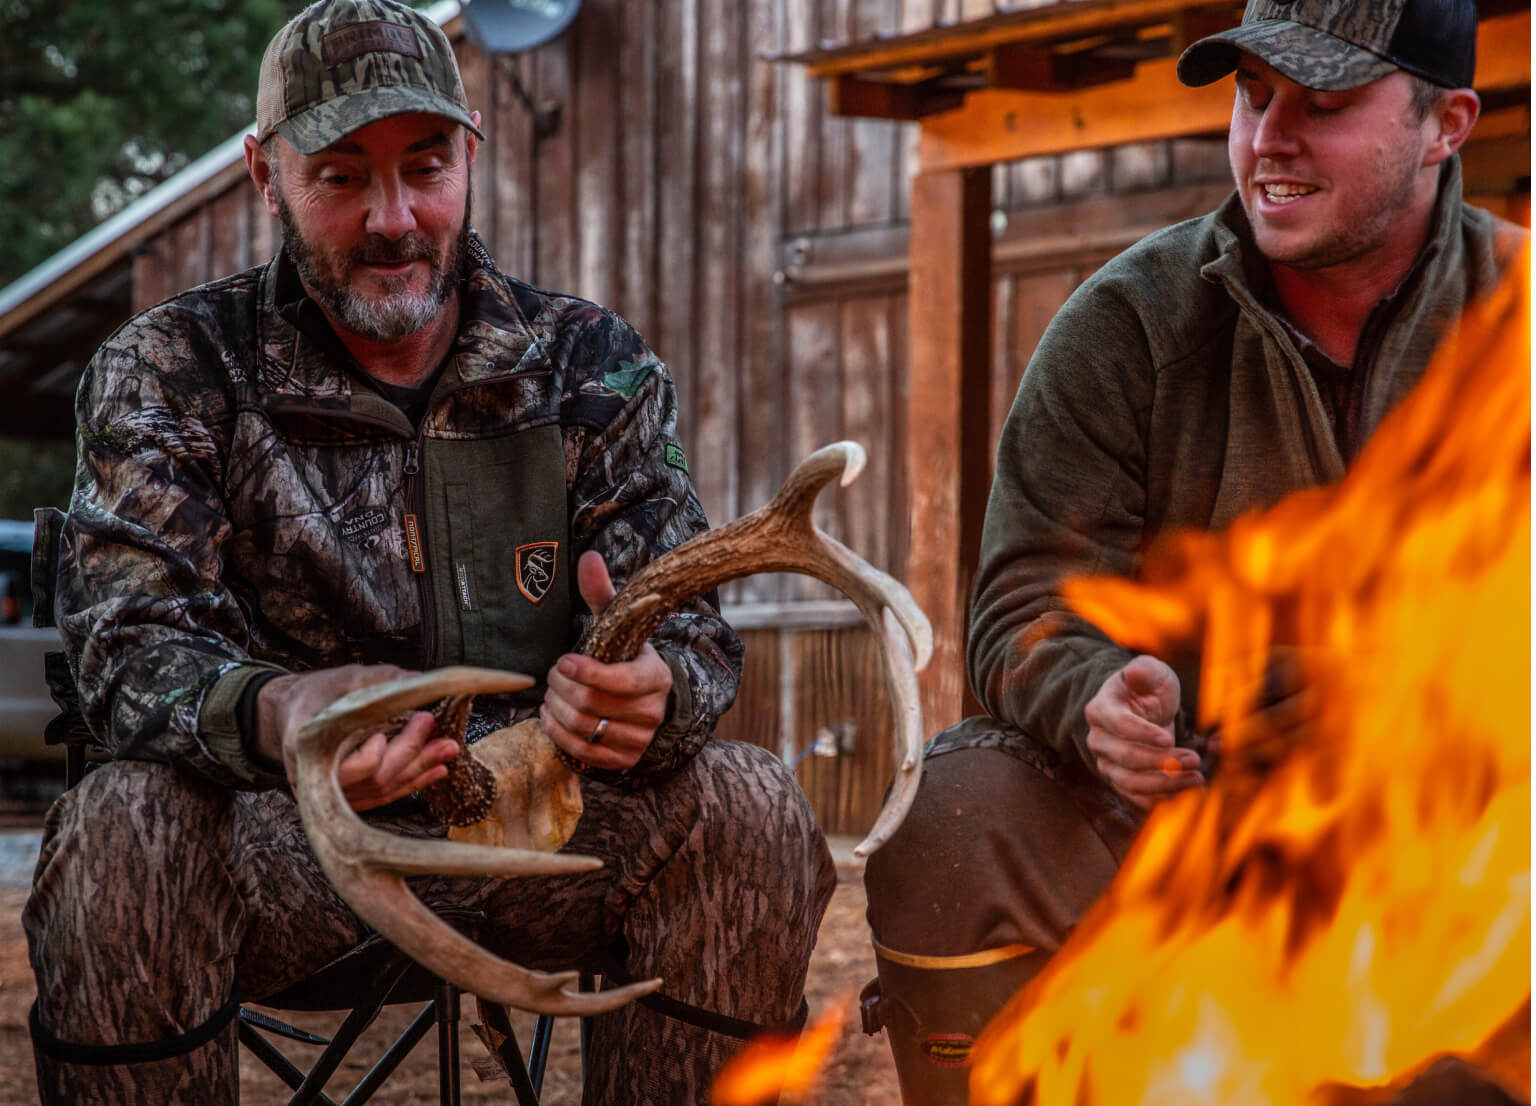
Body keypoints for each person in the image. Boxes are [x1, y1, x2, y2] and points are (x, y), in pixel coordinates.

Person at [23, 1, 835, 1102]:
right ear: (266, 174)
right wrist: (286, 716)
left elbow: (689, 626)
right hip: (288, 846)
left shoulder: (588, 361)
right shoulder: (171, 370)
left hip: (542, 827)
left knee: (748, 802)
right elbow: (128, 646)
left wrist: (657, 688)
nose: (393, 216)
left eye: (426, 165)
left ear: (473, 148)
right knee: (121, 829)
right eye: (342, 175)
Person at [862, 0, 1524, 1101]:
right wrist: (1098, 703)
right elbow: (1022, 602)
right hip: (1181, 828)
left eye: (1325, 102)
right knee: (956, 808)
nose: (1270, 140)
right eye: (1254, 95)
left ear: (1447, 122)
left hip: (1460, 855)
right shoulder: (1130, 323)